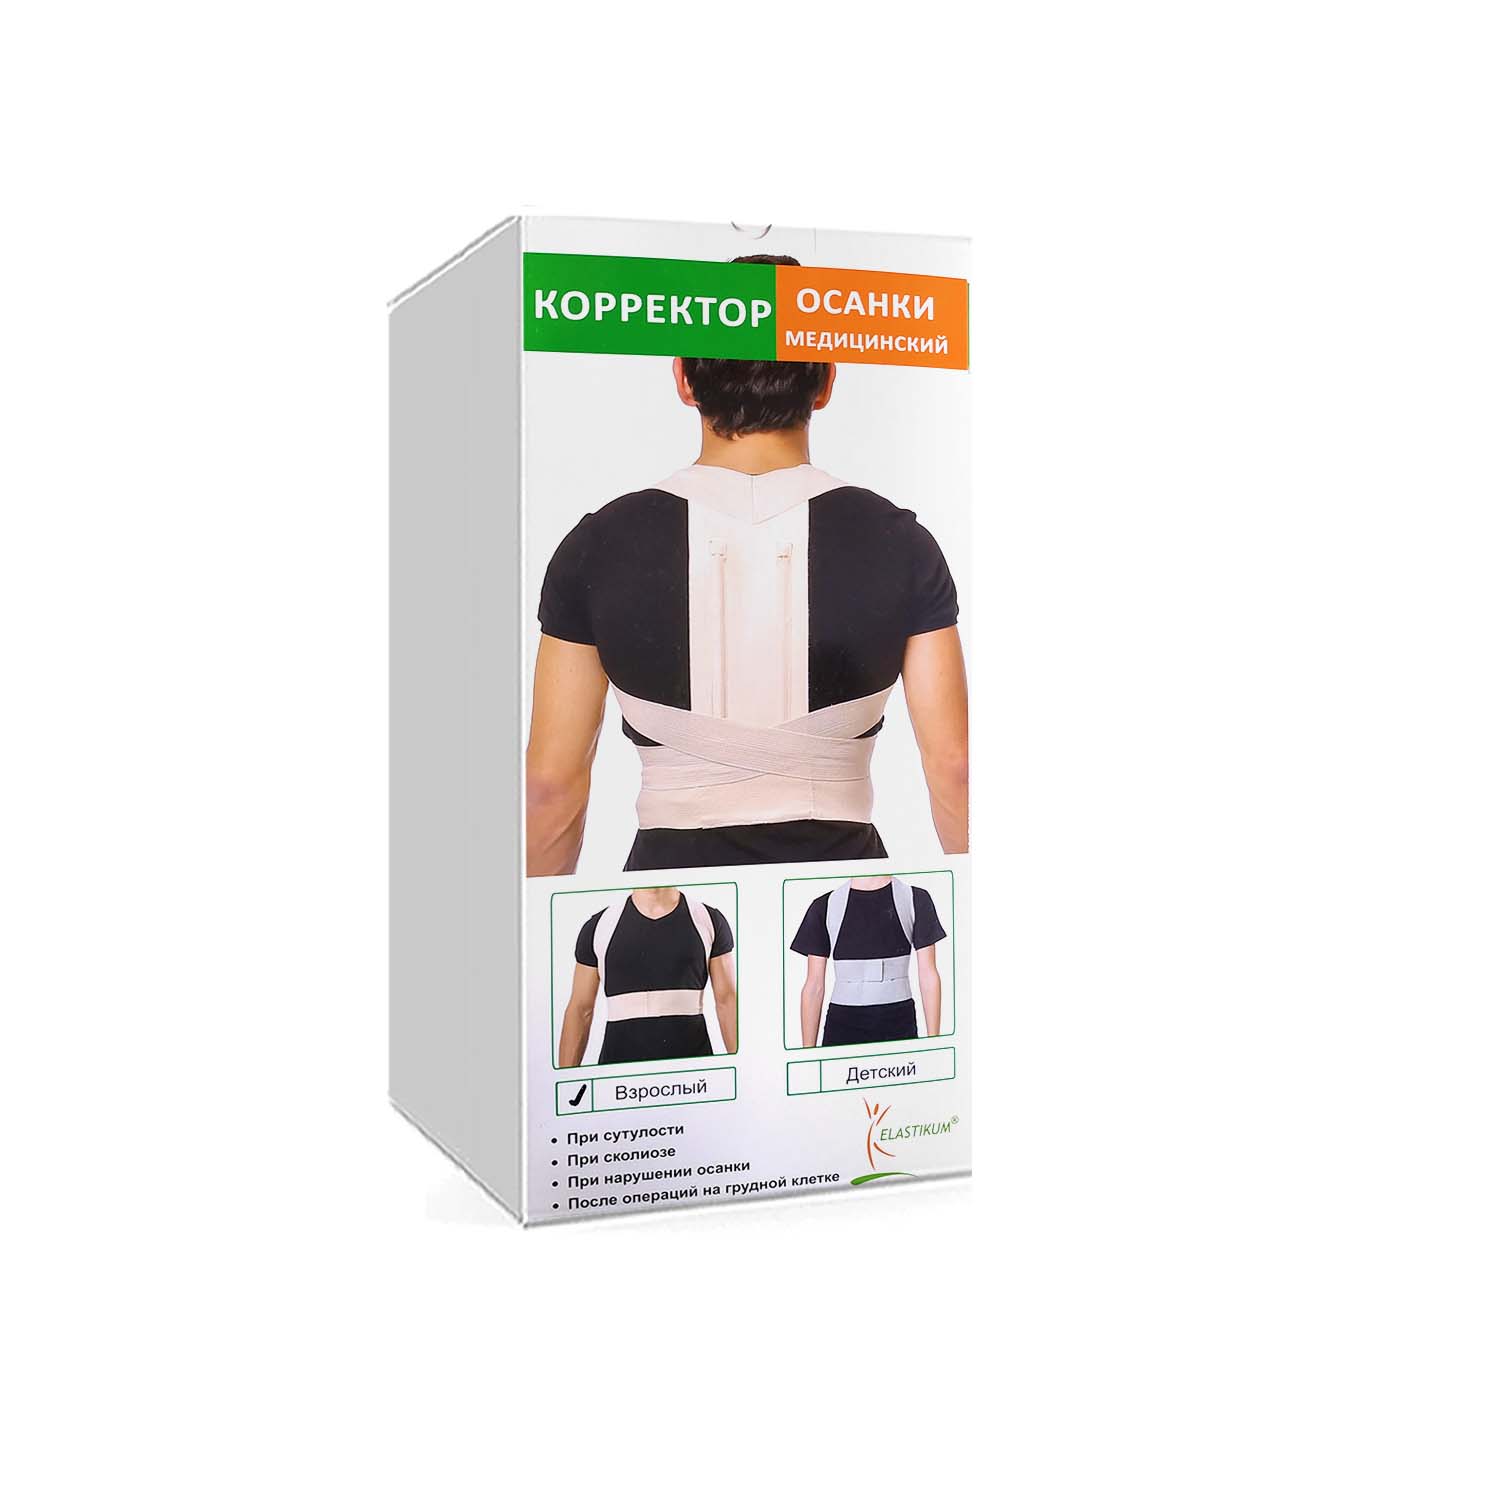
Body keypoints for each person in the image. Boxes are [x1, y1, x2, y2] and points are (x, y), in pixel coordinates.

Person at [527, 253, 968, 874]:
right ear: (825, 380)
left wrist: (538, 920)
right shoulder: (900, 542)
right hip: (844, 885)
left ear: (684, 378)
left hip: (668, 883)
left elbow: (550, 787)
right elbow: (957, 769)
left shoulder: (597, 546)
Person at [558, 887, 736, 1066]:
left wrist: (741, 1071)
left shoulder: (707, 920)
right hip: (619, 1074)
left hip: (692, 1072)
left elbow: (727, 1000)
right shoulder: (600, 926)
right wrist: (565, 1079)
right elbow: (580, 1010)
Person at [790, 875, 945, 1046]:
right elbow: (814, 986)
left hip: (899, 1022)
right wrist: (808, 1054)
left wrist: (934, 1045)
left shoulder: (914, 899)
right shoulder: (825, 905)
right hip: (842, 1026)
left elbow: (928, 975)